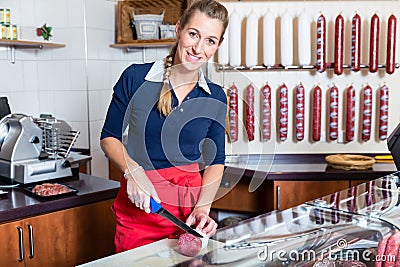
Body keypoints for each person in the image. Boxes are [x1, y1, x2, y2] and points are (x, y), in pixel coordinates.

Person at [100, 0, 229, 252]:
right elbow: (109, 137)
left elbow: (216, 161)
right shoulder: (136, 78)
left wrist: (203, 208)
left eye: (210, 41)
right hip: (141, 207)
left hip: (188, 212)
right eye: (194, 34)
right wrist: (133, 172)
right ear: (179, 29)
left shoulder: (215, 96)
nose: (198, 48)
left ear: (217, 46)